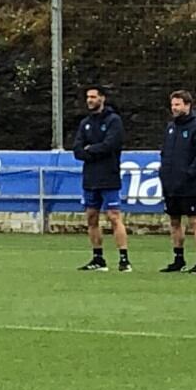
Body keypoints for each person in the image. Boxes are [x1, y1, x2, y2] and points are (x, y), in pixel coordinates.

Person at [72, 85, 131, 272]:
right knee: (91, 217)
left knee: (114, 217)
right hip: (90, 178)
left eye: (93, 96)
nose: (89, 100)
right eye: (87, 97)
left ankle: (124, 259)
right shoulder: (85, 123)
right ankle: (98, 259)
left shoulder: (114, 121)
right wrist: (89, 151)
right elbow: (77, 150)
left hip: (109, 176)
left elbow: (110, 145)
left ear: (102, 98)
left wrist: (91, 149)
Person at [157, 89, 196, 273]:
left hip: (187, 184)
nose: (174, 108)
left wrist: (190, 173)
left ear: (187, 105)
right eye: (172, 104)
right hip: (170, 183)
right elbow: (165, 152)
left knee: (195, 220)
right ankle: (178, 258)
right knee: (174, 221)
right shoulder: (171, 127)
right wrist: (164, 172)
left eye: (178, 104)